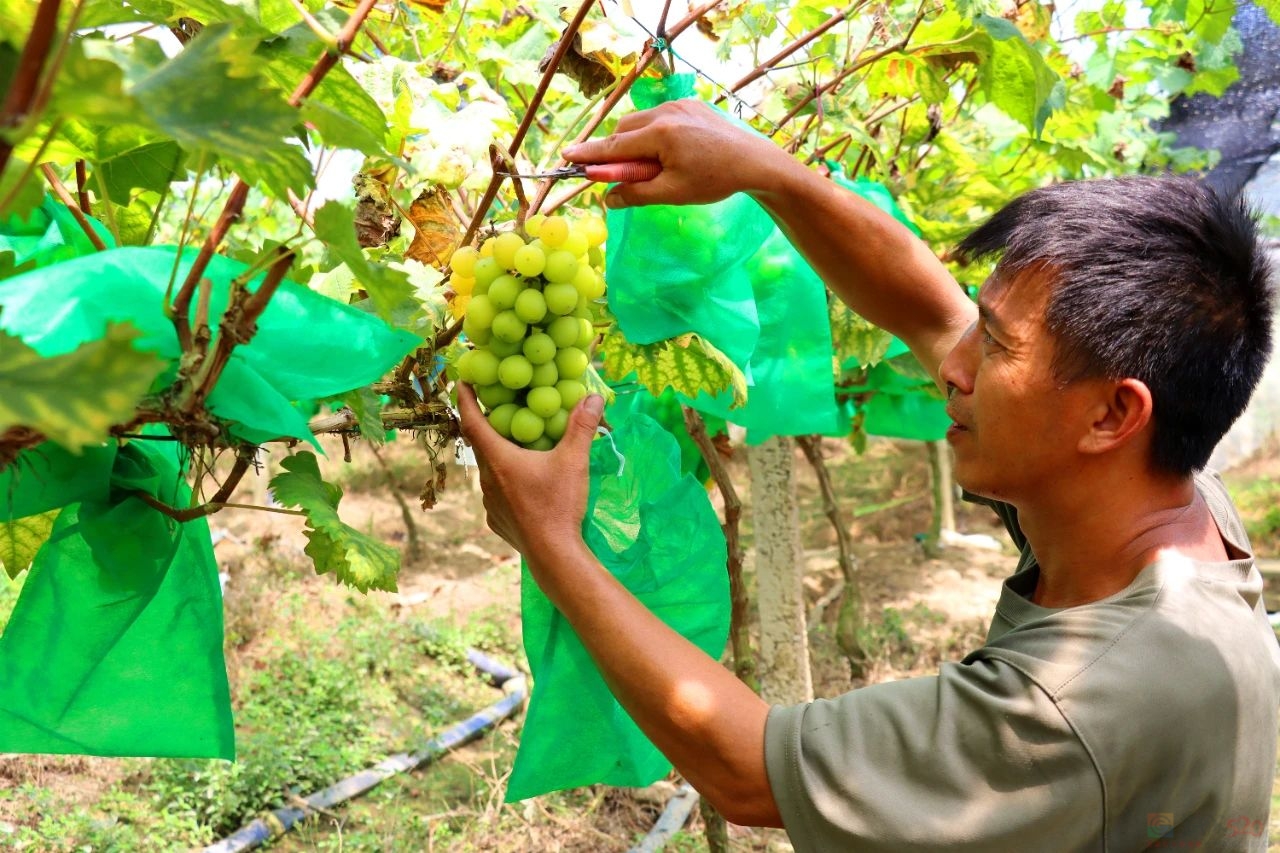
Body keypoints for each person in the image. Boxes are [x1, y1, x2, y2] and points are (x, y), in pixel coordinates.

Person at [456, 100, 1280, 851]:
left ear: (1110, 415)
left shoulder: (1080, 704)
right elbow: (929, 310)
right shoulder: (1171, 511)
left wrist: (552, 540)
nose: (951, 365)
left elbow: (748, 769)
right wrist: (763, 169)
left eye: (994, 346)